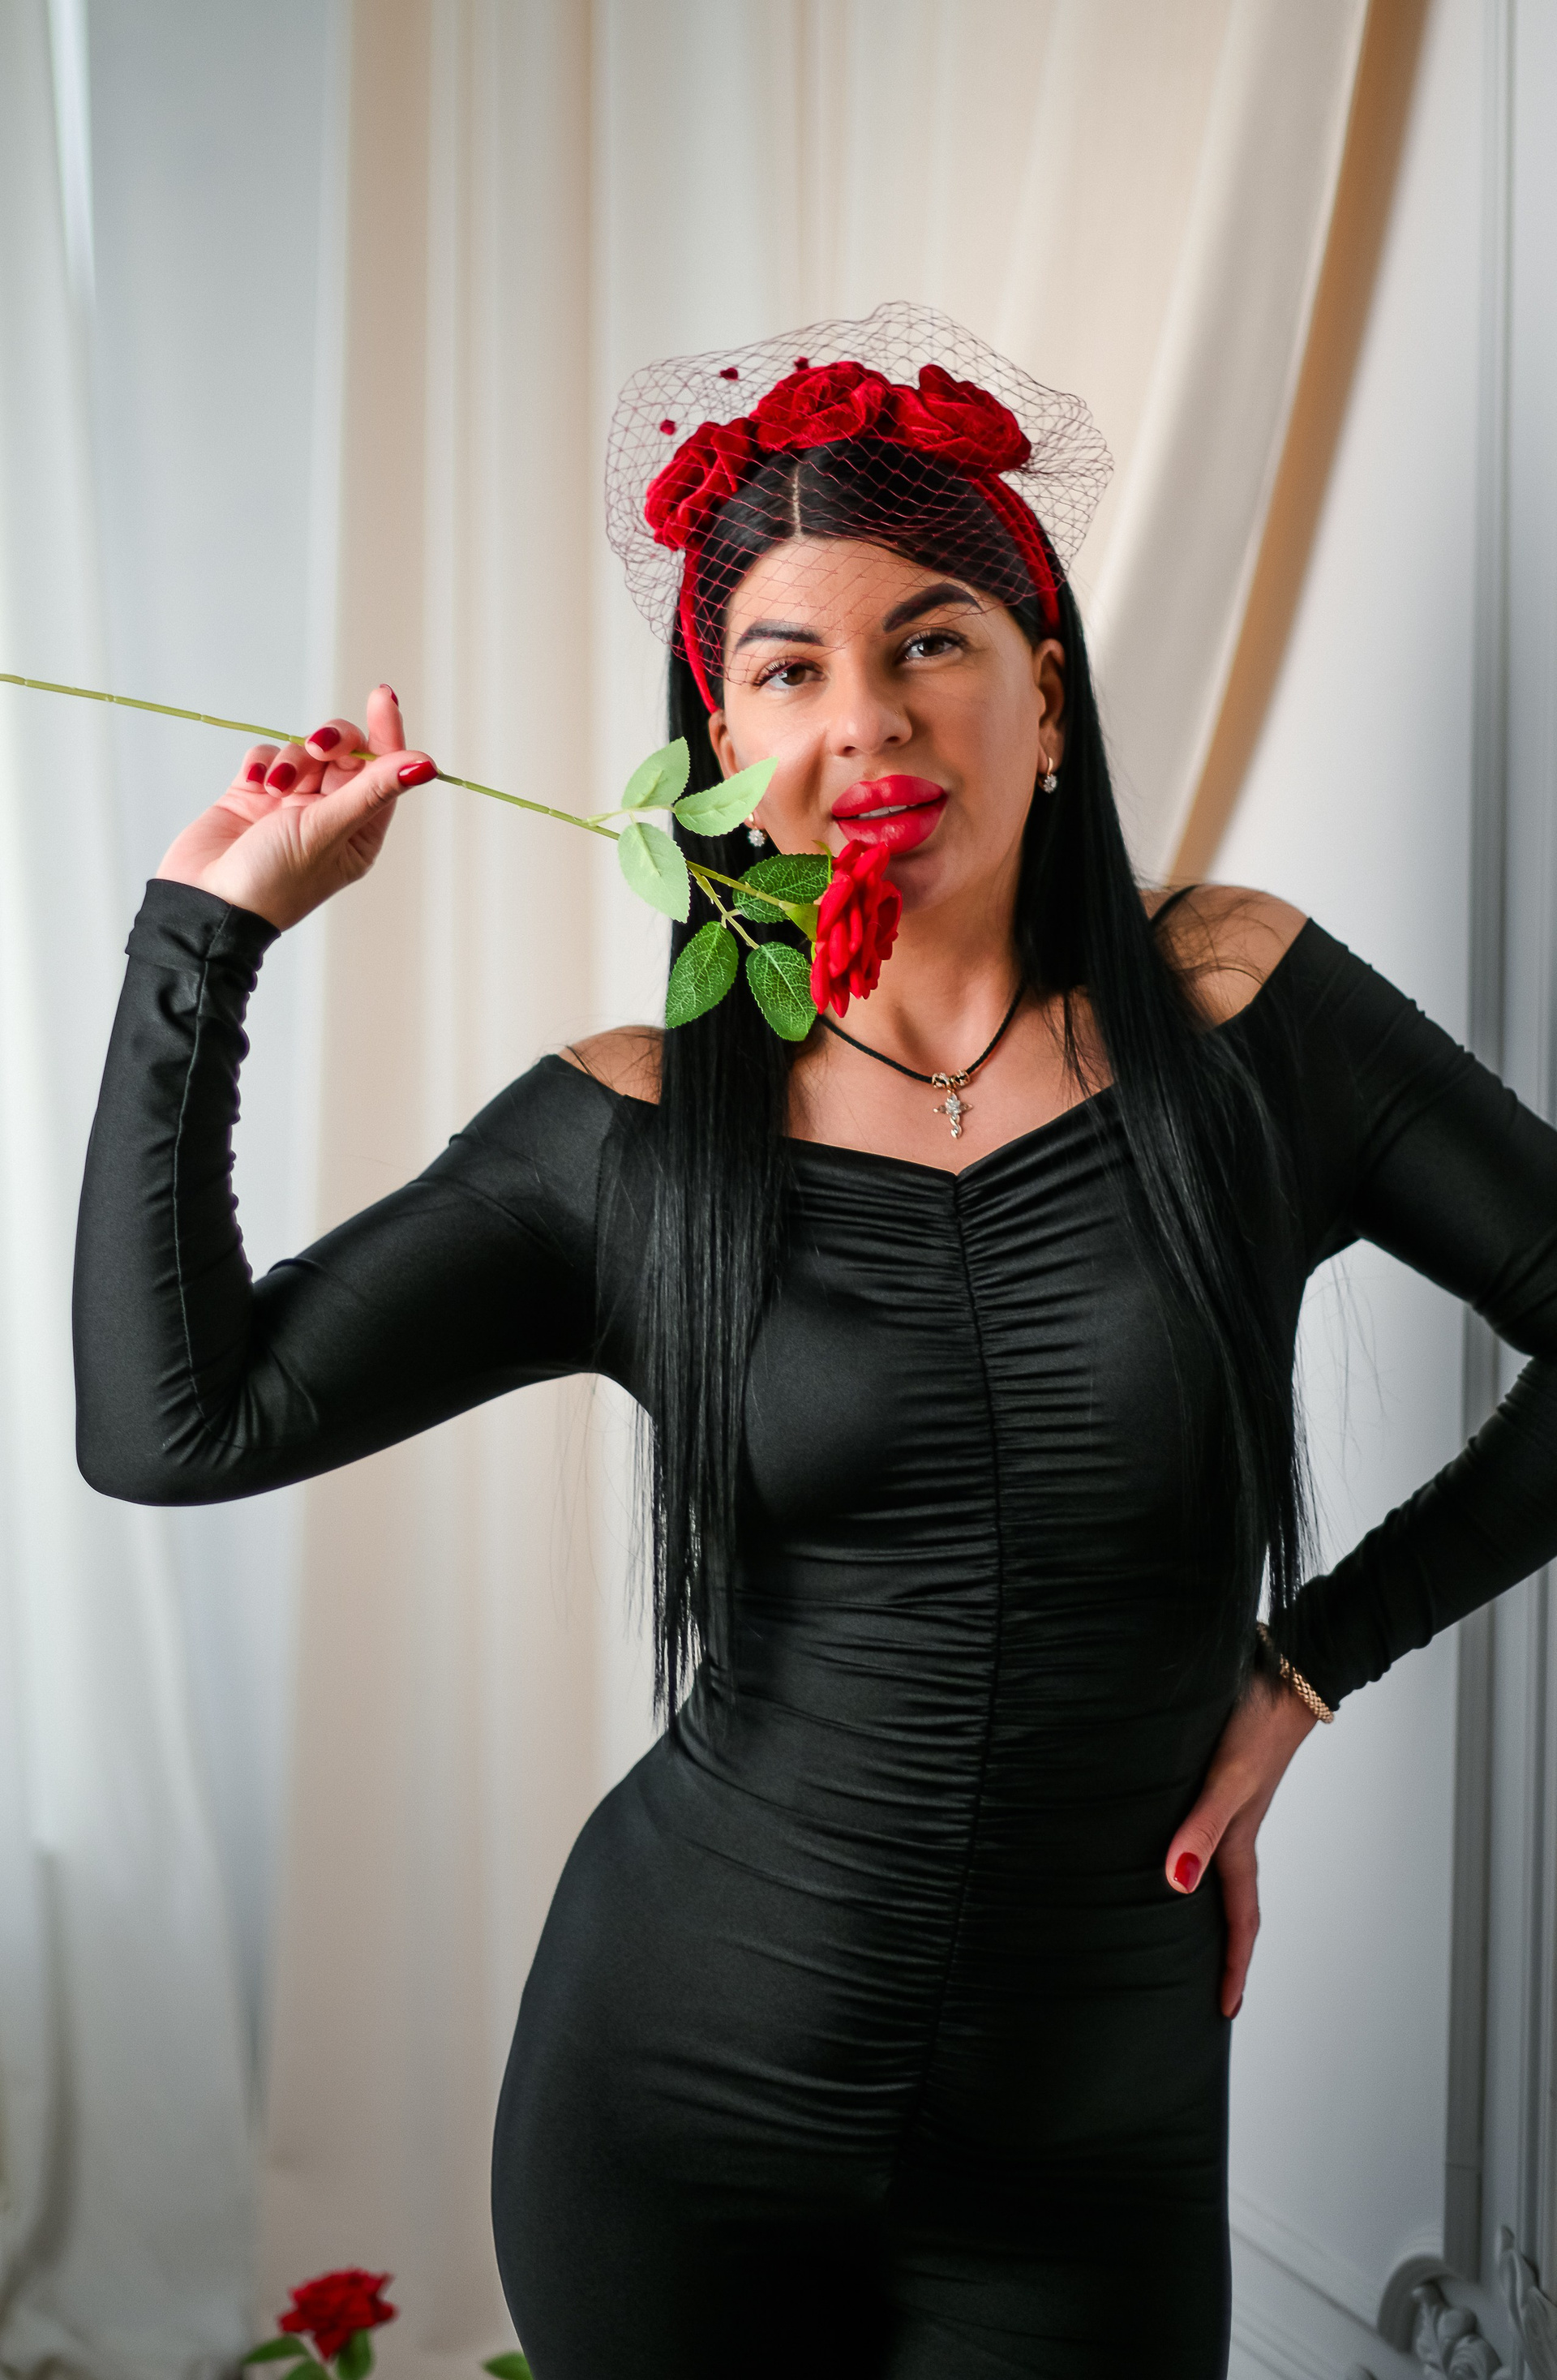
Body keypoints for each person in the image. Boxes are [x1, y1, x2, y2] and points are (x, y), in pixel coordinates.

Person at [74, 307, 1557, 2378]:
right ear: (717, 757)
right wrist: (204, 936)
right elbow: (174, 1426)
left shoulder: (1240, 1010)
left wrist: (1314, 1659)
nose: (868, 720)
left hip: (1094, 2148)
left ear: (1048, 689)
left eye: (932, 639)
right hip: (671, 2101)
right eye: (786, 669)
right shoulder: (633, 1133)